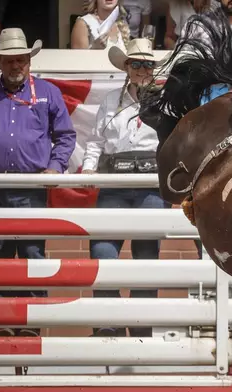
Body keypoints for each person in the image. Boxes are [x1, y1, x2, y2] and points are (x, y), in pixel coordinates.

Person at [0, 28, 76, 337]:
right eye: (9, 61)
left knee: (33, 255)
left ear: (29, 62)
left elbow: (65, 137)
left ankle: (31, 324)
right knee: (0, 257)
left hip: (31, 189)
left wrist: (55, 167)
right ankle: (8, 322)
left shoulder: (48, 93)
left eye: (20, 60)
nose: (15, 65)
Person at [82, 38, 170, 337]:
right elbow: (94, 141)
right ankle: (109, 322)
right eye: (137, 64)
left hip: (150, 185)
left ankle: (141, 323)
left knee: (146, 257)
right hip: (114, 184)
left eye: (148, 64)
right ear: (126, 67)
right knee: (103, 253)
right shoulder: (110, 100)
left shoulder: (165, 101)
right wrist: (89, 168)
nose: (143, 69)